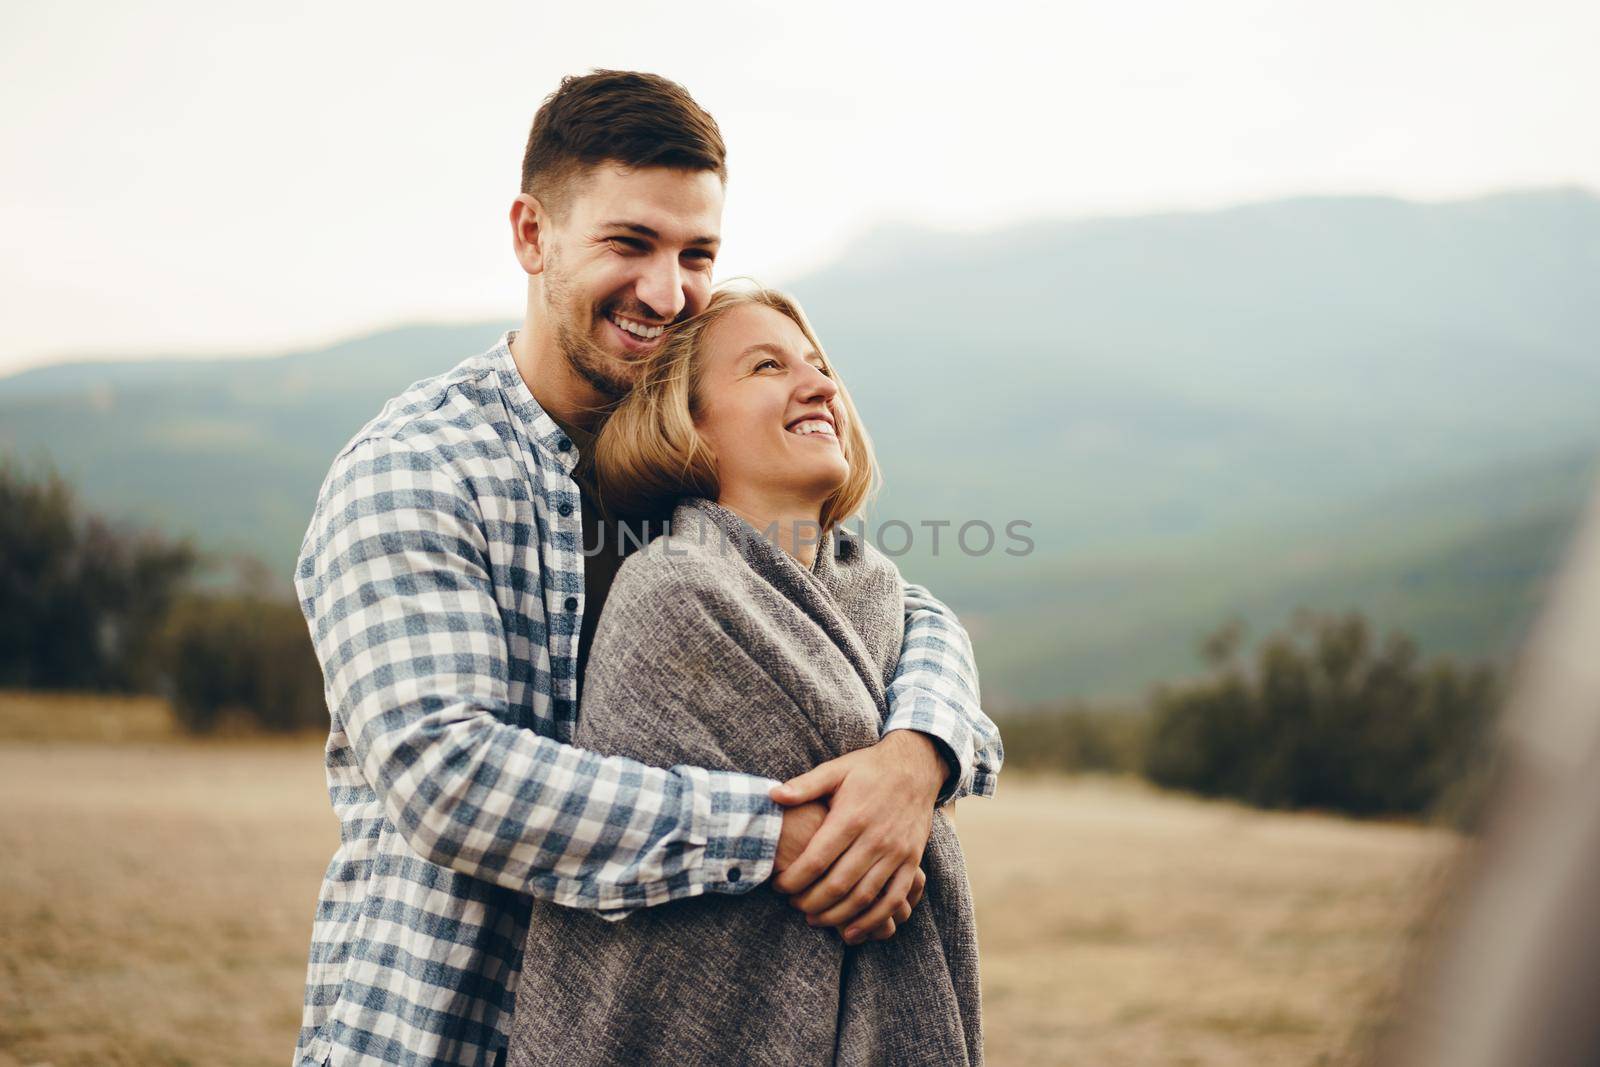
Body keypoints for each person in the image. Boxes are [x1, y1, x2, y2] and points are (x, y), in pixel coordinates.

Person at [291, 70, 1001, 1067]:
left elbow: (886, 602)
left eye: (696, 253)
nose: (668, 293)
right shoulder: (419, 467)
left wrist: (915, 754)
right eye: (630, 244)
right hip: (441, 1035)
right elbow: (444, 771)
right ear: (532, 235)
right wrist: (779, 837)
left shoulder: (687, 464)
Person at [508, 286, 983, 1065]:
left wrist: (920, 760)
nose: (822, 386)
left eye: (821, 367)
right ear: (690, 424)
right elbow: (851, 823)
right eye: (768, 366)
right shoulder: (675, 591)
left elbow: (945, 739)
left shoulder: (879, 592)